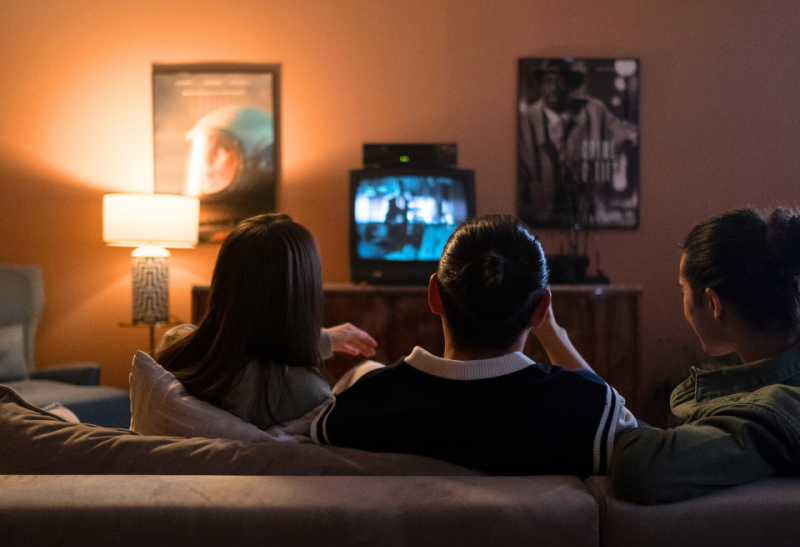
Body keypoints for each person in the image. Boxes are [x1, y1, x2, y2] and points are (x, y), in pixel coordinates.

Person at [310, 214, 636, 476]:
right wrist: (554, 333)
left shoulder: (360, 404)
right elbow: (632, 433)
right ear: (540, 309)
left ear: (434, 295)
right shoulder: (587, 412)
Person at [612, 208, 800, 503]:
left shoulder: (777, 411)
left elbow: (639, 466)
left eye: (682, 292)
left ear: (713, 303)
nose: (683, 304)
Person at [155, 213, 377, 429]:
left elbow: (240, 345)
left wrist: (325, 339)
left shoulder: (175, 348)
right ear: (303, 293)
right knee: (371, 371)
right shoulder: (307, 392)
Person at [517, 59, 639, 227]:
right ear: (540, 86)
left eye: (560, 80)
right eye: (547, 81)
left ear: (570, 84)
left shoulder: (594, 110)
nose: (554, 87)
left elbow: (627, 133)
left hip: (587, 217)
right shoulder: (525, 121)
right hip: (540, 219)